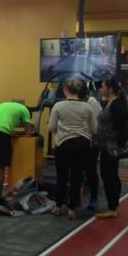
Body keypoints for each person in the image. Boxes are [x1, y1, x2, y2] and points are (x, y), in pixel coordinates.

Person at [47, 78, 97, 220]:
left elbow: (51, 128)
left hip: (63, 144)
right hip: (82, 144)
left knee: (61, 176)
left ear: (65, 90)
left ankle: (58, 207)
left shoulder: (58, 106)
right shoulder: (87, 107)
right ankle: (72, 209)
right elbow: (94, 129)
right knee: (77, 176)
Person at [0, 101, 33, 211]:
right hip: (0, 134)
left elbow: (2, 125)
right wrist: (28, 134)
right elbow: (28, 132)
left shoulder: (7, 106)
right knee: (0, 167)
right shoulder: (25, 111)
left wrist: (12, 133)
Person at [95, 78, 128, 219]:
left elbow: (121, 127)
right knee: (109, 175)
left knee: (109, 176)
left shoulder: (116, 105)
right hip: (106, 146)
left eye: (103, 86)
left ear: (110, 89)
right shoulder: (110, 103)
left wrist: (117, 143)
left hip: (111, 147)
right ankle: (113, 205)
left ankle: (112, 208)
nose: (101, 89)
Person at [79, 83, 103, 210]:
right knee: (79, 170)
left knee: (90, 171)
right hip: (81, 141)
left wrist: (93, 138)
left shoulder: (92, 103)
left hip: (91, 143)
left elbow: (97, 126)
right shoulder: (79, 103)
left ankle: (94, 198)